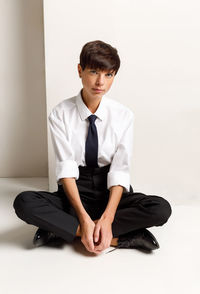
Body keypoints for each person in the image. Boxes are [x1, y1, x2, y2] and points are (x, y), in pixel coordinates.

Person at [13, 40, 172, 255]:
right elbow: (67, 170)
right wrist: (83, 218)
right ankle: (116, 238)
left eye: (109, 75)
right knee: (24, 202)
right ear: (80, 70)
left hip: (110, 190)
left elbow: (120, 171)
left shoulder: (123, 115)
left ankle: (62, 230)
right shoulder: (60, 113)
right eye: (94, 72)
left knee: (161, 208)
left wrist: (107, 218)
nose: (100, 82)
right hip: (76, 189)